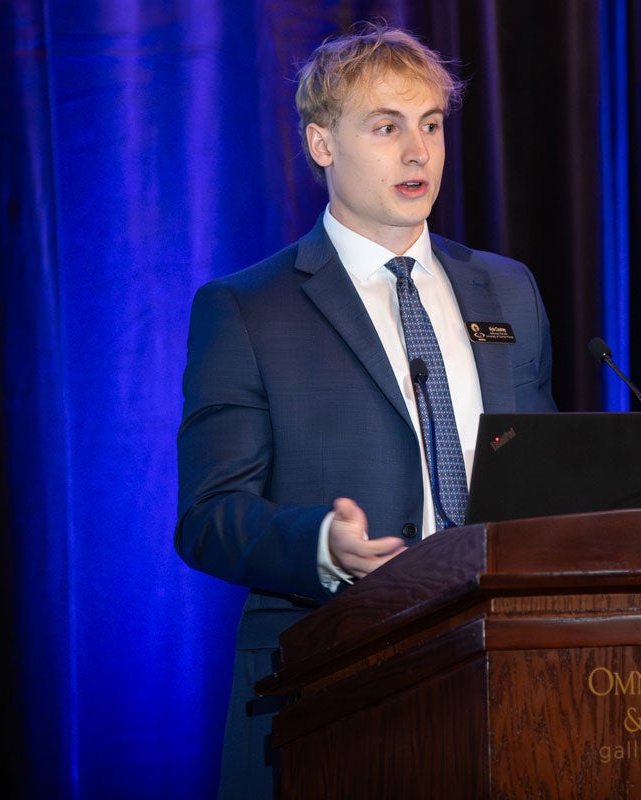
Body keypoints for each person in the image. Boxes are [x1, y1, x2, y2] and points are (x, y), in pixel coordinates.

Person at [175, 22, 557, 799]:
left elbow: (539, 480)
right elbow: (209, 516)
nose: (418, 152)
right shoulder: (248, 309)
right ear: (322, 145)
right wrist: (322, 544)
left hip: (510, 683)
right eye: (386, 128)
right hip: (332, 686)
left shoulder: (507, 287)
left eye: (432, 125)